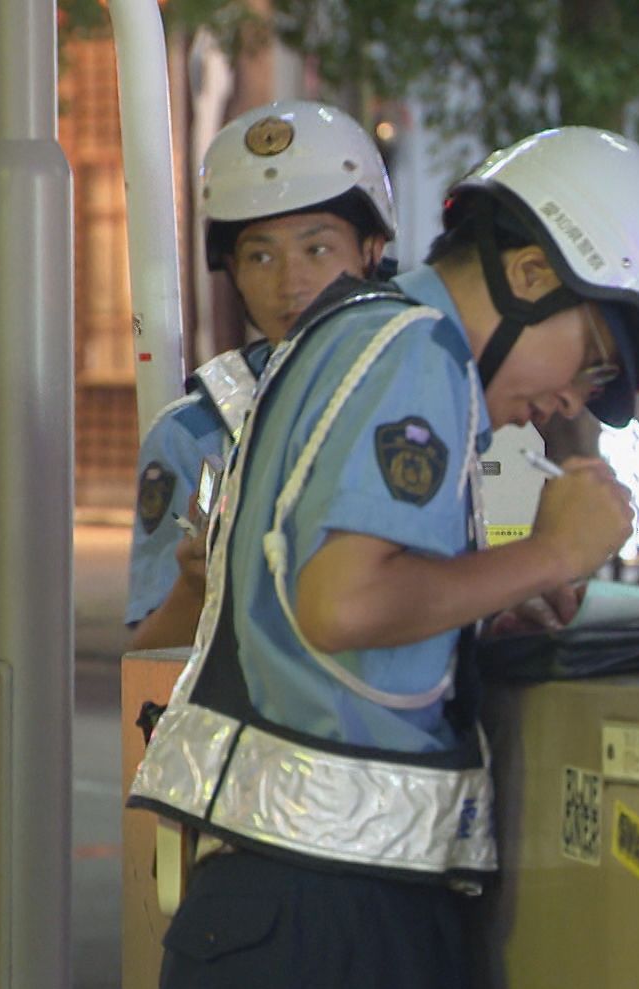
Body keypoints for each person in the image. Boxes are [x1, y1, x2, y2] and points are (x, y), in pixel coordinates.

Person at [129, 125, 639, 989]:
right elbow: (343, 603)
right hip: (318, 933)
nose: (575, 399)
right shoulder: (415, 352)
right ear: (531, 274)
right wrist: (551, 553)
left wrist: (476, 605)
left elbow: (331, 603)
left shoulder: (372, 336)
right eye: (593, 359)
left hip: (303, 917)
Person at [127, 100, 396, 650]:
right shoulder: (196, 436)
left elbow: (503, 546)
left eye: (317, 248)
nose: (291, 283)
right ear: (232, 270)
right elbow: (149, 660)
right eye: (260, 257)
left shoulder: (439, 392)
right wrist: (196, 586)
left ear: (372, 250)